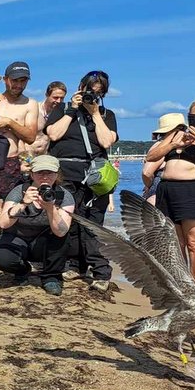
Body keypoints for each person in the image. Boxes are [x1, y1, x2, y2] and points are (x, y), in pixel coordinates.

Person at [45, 70, 118, 292]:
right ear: (80, 88)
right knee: (69, 221)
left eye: (97, 93)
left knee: (93, 223)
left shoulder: (106, 114)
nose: (91, 97)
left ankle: (101, 271)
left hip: (94, 176)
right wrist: (71, 110)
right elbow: (53, 134)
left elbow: (106, 142)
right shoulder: (62, 109)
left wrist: (95, 114)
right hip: (65, 173)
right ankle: (74, 265)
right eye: (89, 91)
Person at [0, 61, 40, 272]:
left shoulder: (30, 104)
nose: (18, 85)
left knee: (13, 210)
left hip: (10, 163)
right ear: (5, 80)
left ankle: (8, 252)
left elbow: (30, 136)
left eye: (23, 81)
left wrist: (10, 123)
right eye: (14, 80)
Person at [0, 155, 74, 295]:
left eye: (50, 173)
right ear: (32, 174)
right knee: (2, 257)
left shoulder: (64, 196)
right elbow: (4, 223)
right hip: (17, 238)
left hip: (44, 243)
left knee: (62, 236)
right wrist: (23, 203)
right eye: (40, 172)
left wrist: (51, 209)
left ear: (57, 174)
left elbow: (61, 231)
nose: (45, 177)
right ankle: (22, 270)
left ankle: (51, 277)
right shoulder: (19, 191)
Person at [146, 111, 195, 283]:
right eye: (193, 115)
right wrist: (173, 144)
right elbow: (151, 157)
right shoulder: (175, 137)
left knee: (194, 243)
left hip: (191, 191)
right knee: (176, 243)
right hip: (166, 190)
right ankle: (182, 283)